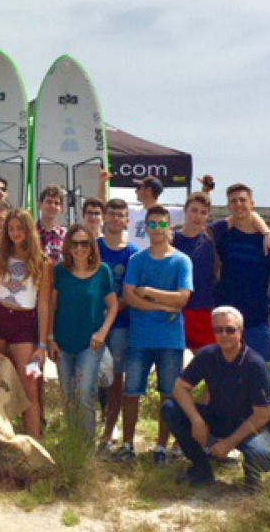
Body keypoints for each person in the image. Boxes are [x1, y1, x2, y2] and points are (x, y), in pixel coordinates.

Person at [162, 306, 270, 490]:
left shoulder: (255, 364)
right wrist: (197, 421)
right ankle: (201, 470)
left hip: (249, 425)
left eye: (230, 330)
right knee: (170, 409)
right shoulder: (207, 355)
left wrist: (228, 444)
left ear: (240, 331)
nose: (224, 334)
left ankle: (251, 476)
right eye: (218, 330)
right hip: (217, 418)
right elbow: (180, 388)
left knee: (263, 456)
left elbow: (262, 415)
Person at [114, 205, 192, 465]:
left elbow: (183, 297)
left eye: (162, 224)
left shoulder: (181, 261)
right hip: (139, 338)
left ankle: (161, 447)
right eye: (152, 224)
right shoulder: (137, 260)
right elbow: (129, 297)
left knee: (169, 395)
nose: (157, 229)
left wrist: (148, 290)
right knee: (131, 392)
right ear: (145, 228)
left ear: (169, 228)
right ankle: (127, 444)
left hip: (170, 339)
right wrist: (162, 304)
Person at [0, 209, 52, 438]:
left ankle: (34, 445)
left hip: (25, 327)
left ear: (29, 230)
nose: (15, 233)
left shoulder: (43, 263)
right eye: (11, 229)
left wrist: (42, 345)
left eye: (20, 228)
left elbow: (44, 305)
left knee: (30, 385)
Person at [49, 223, 118, 440]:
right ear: (68, 246)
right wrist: (50, 338)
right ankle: (73, 442)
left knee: (84, 394)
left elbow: (113, 305)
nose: (80, 248)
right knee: (68, 396)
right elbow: (51, 307)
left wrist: (102, 333)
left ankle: (86, 447)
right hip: (63, 343)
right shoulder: (59, 272)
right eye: (75, 243)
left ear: (92, 246)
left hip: (91, 344)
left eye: (85, 243)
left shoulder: (103, 271)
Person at [212, 183, 270, 364]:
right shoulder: (223, 236)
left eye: (243, 200)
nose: (238, 204)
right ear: (228, 207)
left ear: (252, 204)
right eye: (233, 201)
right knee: (225, 375)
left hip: (258, 319)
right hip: (226, 319)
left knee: (261, 376)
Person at [97, 198, 139, 451]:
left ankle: (108, 433)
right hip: (92, 321)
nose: (115, 218)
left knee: (116, 380)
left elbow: (130, 292)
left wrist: (114, 308)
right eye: (110, 213)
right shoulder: (93, 247)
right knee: (89, 377)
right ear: (104, 217)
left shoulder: (133, 253)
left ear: (127, 220)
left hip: (121, 323)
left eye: (120, 215)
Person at [172, 192, 217, 353]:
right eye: (194, 210)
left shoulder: (212, 242)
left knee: (209, 367)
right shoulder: (170, 240)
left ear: (208, 215)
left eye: (203, 212)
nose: (198, 216)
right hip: (174, 311)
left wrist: (268, 235)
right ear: (185, 210)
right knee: (174, 370)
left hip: (203, 311)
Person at [126, 176, 184, 250]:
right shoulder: (132, 211)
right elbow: (108, 210)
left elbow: (195, 210)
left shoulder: (167, 213)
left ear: (148, 191)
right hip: (135, 260)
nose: (136, 191)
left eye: (138, 188)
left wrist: (204, 189)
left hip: (157, 259)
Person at [36, 185, 67, 264]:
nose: (52, 206)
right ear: (39, 205)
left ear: (61, 209)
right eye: (48, 202)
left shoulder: (66, 235)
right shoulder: (29, 232)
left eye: (56, 203)